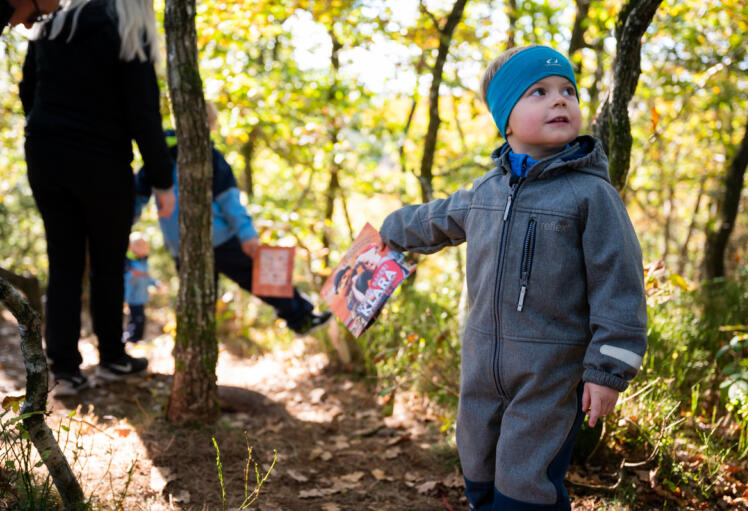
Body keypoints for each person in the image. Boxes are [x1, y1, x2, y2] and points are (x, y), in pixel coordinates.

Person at [379, 45, 647, 510]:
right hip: (482, 366)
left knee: (526, 484)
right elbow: (436, 218)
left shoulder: (590, 195)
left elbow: (619, 287)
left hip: (551, 373)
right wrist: (388, 231)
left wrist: (608, 371)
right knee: (478, 467)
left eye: (568, 90)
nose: (559, 100)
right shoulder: (486, 191)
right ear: (506, 118)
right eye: (538, 92)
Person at [20, 0, 175, 396]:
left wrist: (50, 132)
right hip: (102, 164)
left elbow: (28, 89)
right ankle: (111, 358)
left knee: (64, 262)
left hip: (47, 157)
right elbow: (145, 113)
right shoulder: (126, 26)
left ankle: (65, 371)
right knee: (108, 263)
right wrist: (162, 181)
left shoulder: (53, 24)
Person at [134, 101, 332, 336]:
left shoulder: (158, 157)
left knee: (199, 303)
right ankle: (302, 318)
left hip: (181, 245)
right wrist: (247, 235)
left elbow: (136, 197)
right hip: (220, 238)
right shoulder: (209, 156)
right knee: (262, 275)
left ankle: (195, 342)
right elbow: (230, 201)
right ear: (207, 124)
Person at [123, 232, 156, 343]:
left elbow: (147, 277)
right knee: (135, 317)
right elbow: (126, 278)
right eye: (139, 246)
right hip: (133, 296)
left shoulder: (144, 262)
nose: (143, 249)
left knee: (140, 318)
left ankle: (138, 337)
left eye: (144, 246)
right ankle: (132, 337)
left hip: (142, 296)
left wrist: (156, 283)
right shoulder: (128, 263)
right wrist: (132, 274)